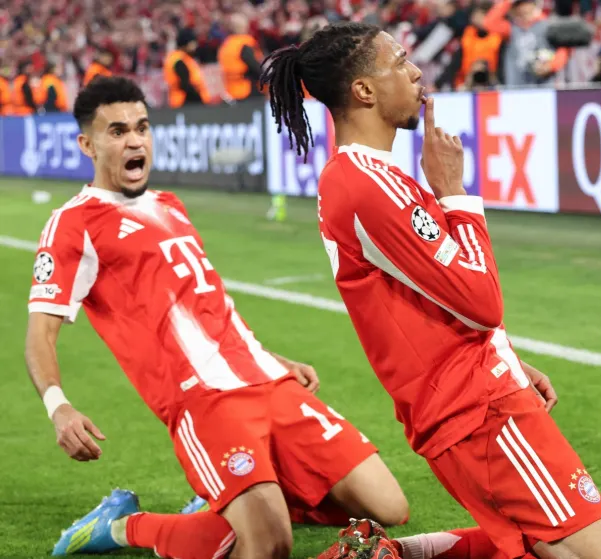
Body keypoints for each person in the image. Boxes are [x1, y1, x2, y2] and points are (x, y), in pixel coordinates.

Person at [260, 22, 601, 559]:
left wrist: (505, 357)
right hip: (479, 412)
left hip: (471, 400)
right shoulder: (367, 184)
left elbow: (434, 297)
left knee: (538, 547)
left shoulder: (369, 178)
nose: (416, 72)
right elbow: (481, 301)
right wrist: (455, 193)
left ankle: (392, 555)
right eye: (401, 61)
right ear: (364, 90)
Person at [26, 76, 408, 559]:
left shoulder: (170, 204)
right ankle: (125, 526)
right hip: (206, 401)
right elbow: (41, 333)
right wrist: (58, 407)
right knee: (270, 546)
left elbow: (208, 305)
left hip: (267, 380)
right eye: (117, 131)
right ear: (87, 144)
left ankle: (231, 503)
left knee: (387, 508)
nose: (135, 140)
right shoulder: (74, 223)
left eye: (142, 127)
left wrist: (270, 357)